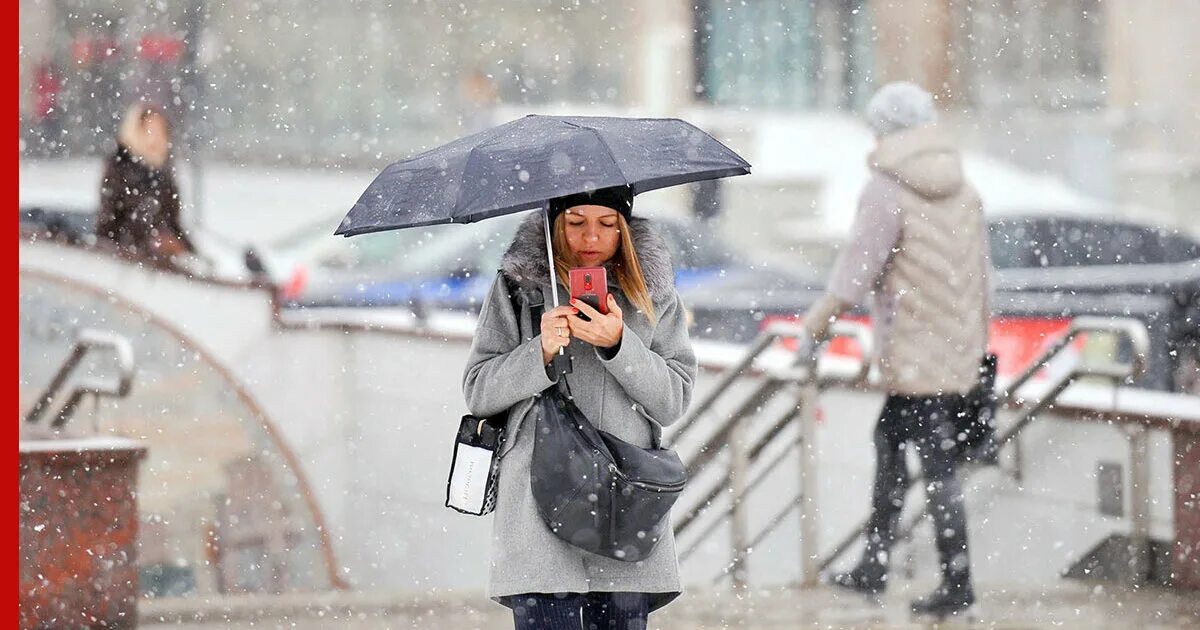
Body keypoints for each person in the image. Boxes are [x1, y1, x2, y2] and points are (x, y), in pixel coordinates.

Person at [462, 185, 697, 630]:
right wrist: (540, 352)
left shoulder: (652, 293)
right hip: (537, 507)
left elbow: (674, 400)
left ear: (624, 229)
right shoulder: (518, 289)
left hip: (625, 503)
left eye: (607, 224)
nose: (591, 237)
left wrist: (618, 343)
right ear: (554, 225)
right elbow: (478, 390)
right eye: (576, 222)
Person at [802, 82, 992, 617]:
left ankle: (954, 582)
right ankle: (877, 563)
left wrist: (817, 323)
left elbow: (856, 269)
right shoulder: (963, 184)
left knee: (934, 463)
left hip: (913, 348)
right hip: (953, 346)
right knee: (894, 441)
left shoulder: (887, 187)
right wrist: (978, 341)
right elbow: (983, 275)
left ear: (882, 128)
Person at [96, 102, 197, 270]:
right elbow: (109, 226)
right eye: (151, 130)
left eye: (161, 130)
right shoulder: (119, 169)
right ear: (136, 131)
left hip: (162, 264)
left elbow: (173, 223)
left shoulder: (163, 173)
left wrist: (186, 250)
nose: (157, 137)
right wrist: (150, 243)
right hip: (125, 264)